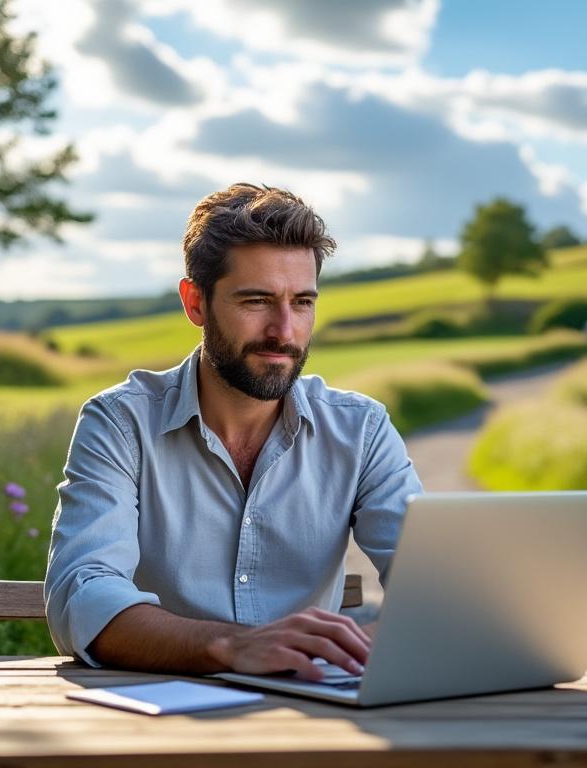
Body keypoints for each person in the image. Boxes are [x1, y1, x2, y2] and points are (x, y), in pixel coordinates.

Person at [44, 183, 423, 682]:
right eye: (256, 301)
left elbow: (434, 587)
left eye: (302, 302)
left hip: (312, 713)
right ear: (195, 303)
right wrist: (231, 646)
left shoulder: (362, 431)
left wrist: (372, 646)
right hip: (157, 724)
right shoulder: (120, 423)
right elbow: (82, 593)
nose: (284, 331)